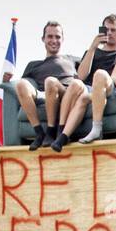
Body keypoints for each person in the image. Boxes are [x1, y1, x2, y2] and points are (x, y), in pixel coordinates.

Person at [54, 14, 116, 151]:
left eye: (113, 30)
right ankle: (61, 132)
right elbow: (81, 76)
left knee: (96, 80)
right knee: (75, 84)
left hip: (108, 88)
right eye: (106, 30)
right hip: (87, 88)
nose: (109, 33)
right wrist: (93, 47)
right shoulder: (92, 51)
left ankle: (70, 133)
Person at [13, 21, 79, 151]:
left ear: (63, 39)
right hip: (45, 94)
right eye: (50, 36)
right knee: (20, 84)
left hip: (66, 93)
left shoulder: (72, 59)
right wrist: (8, 80)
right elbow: (23, 92)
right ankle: (39, 133)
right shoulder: (33, 65)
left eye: (58, 37)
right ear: (43, 39)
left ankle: (51, 130)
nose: (54, 40)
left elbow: (87, 73)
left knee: (50, 81)